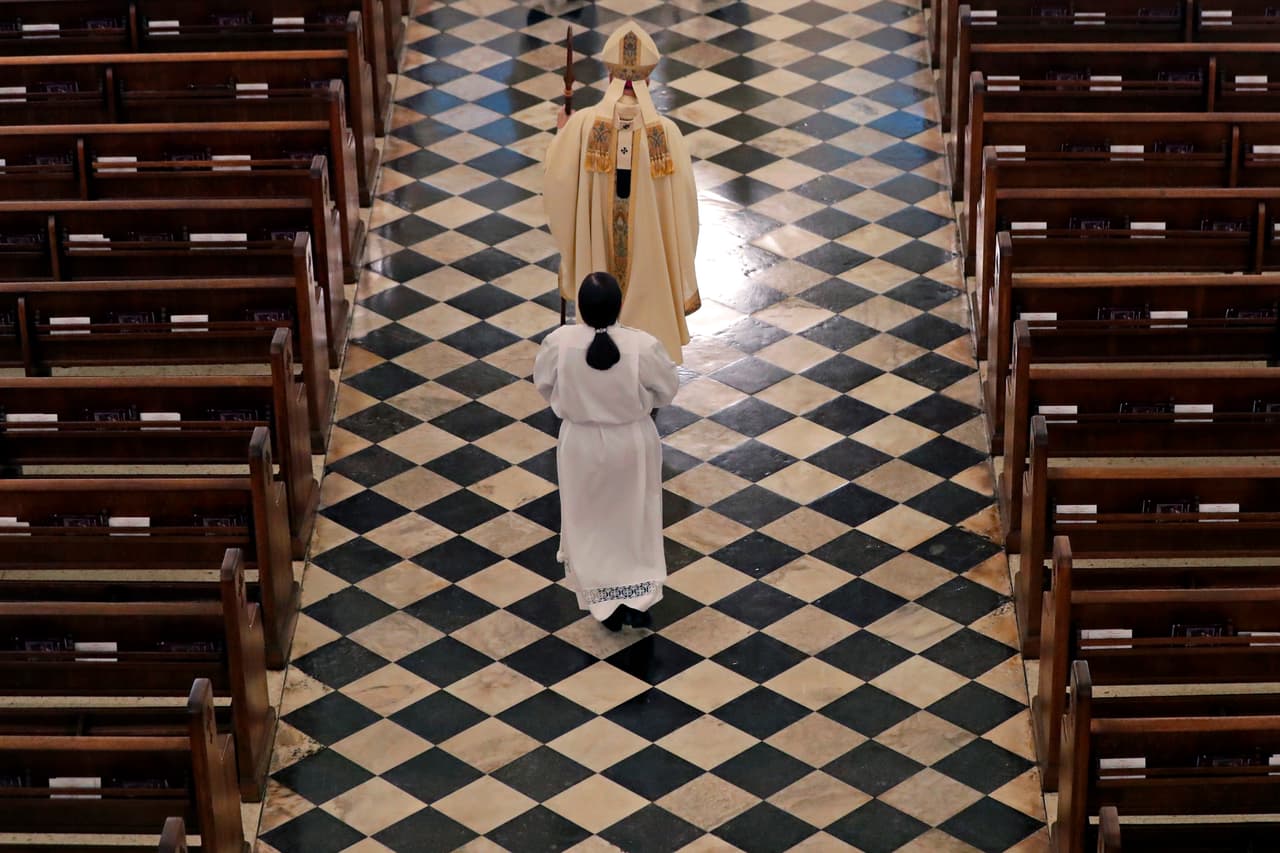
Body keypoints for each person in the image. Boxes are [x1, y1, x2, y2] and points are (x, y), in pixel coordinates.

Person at [543, 21, 700, 365]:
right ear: (648, 78)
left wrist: (562, 134)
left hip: (597, 246)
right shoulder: (667, 134)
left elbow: (557, 184)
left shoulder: (583, 125)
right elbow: (686, 204)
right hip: (650, 253)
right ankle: (647, 361)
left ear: (609, 74)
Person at [533, 271, 679, 630]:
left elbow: (544, 385)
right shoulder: (642, 346)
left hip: (580, 444)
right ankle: (638, 598)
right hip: (631, 442)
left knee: (588, 521)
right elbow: (667, 389)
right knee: (635, 519)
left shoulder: (559, 343)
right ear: (619, 306)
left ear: (580, 308)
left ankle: (603, 603)